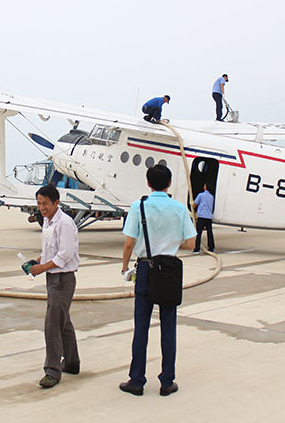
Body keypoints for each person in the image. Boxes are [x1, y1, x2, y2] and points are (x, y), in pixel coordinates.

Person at [119, 164, 195, 397]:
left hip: (145, 268)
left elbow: (129, 243)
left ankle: (136, 380)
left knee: (141, 327)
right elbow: (191, 243)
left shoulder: (138, 206)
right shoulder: (179, 208)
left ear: (148, 183)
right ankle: (167, 381)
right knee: (168, 327)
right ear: (169, 183)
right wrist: (171, 243)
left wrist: (124, 267)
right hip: (169, 269)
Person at [27, 184, 81, 388]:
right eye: (39, 203)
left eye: (45, 203)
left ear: (56, 202)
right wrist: (37, 261)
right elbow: (51, 250)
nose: (41, 207)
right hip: (52, 278)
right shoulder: (47, 221)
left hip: (63, 279)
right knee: (62, 321)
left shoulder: (64, 223)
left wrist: (43, 267)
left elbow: (65, 254)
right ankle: (72, 362)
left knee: (52, 325)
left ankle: (52, 370)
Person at [193, 183, 215, 253]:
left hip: (202, 216)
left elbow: (195, 204)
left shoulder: (201, 195)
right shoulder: (211, 197)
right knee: (209, 232)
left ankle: (197, 248)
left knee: (198, 233)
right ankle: (211, 247)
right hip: (209, 217)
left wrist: (192, 204)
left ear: (206, 187)